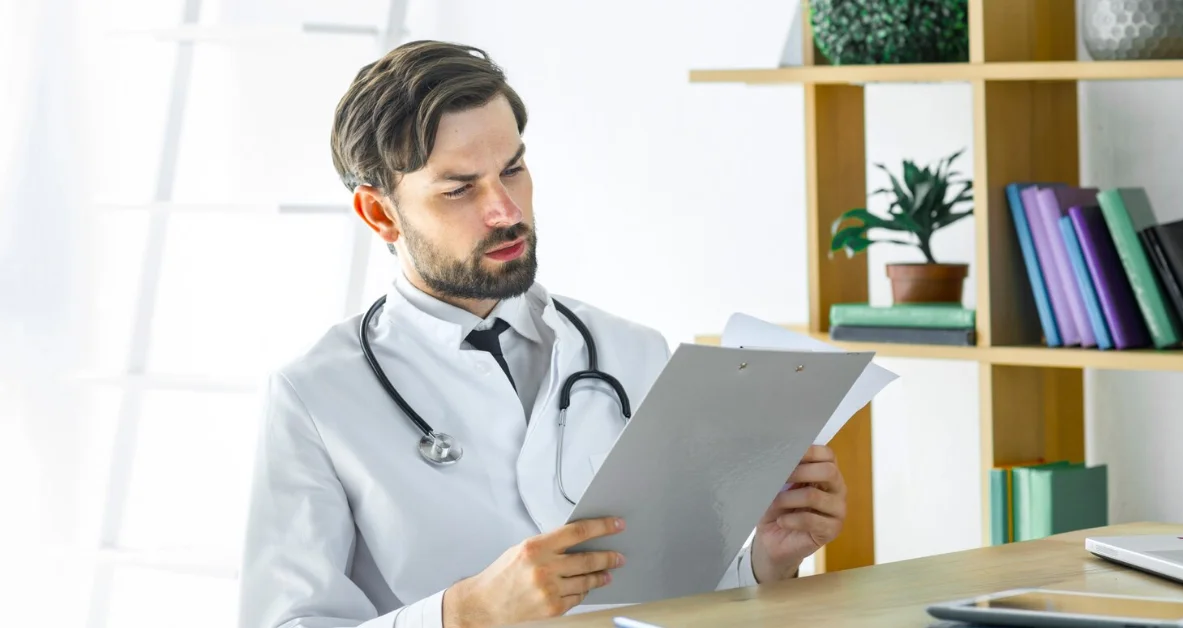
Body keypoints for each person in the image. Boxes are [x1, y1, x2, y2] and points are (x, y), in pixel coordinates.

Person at [236, 40, 847, 628]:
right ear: (379, 213)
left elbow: (675, 597)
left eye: (514, 169)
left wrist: (769, 563)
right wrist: (464, 614)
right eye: (459, 189)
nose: (506, 210)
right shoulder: (314, 397)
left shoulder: (632, 351)